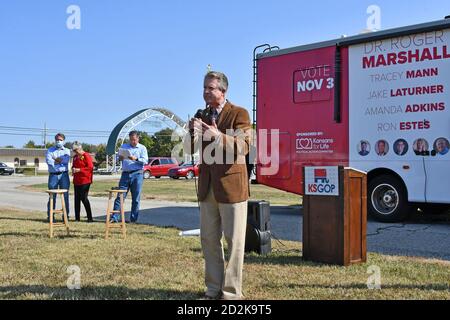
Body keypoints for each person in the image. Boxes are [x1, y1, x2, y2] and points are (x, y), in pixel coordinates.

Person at [184, 71, 251, 300]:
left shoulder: (239, 113)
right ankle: (213, 290)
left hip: (232, 187)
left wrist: (216, 135)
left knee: (235, 242)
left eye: (210, 88)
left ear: (223, 91)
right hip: (207, 187)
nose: (205, 92)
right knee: (209, 240)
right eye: (204, 87)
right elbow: (188, 150)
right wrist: (190, 132)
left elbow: (243, 147)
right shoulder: (201, 114)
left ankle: (231, 293)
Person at [111, 131, 148, 223]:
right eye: (131, 140)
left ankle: (133, 219)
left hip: (137, 174)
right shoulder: (124, 147)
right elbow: (117, 158)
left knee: (135, 198)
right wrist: (120, 158)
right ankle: (115, 217)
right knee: (120, 196)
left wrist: (136, 159)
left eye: (134, 140)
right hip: (125, 174)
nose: (132, 142)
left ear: (138, 139)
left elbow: (145, 161)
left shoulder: (142, 148)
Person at [46, 133, 71, 221]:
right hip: (53, 175)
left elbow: (66, 160)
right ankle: (50, 216)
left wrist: (56, 160)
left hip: (64, 175)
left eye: (60, 140)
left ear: (63, 141)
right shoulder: (50, 150)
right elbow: (50, 162)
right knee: (52, 196)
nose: (58, 141)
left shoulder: (67, 150)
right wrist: (59, 161)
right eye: (57, 139)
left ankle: (65, 216)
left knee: (65, 196)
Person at [71, 142, 94, 222]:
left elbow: (90, 168)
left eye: (76, 150)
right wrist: (73, 169)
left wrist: (79, 170)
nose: (75, 152)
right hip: (77, 180)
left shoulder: (86, 155)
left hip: (85, 180)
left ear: (80, 148)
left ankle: (90, 217)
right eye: (74, 151)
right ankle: (77, 218)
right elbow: (73, 166)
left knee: (83, 198)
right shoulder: (75, 157)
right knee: (76, 199)